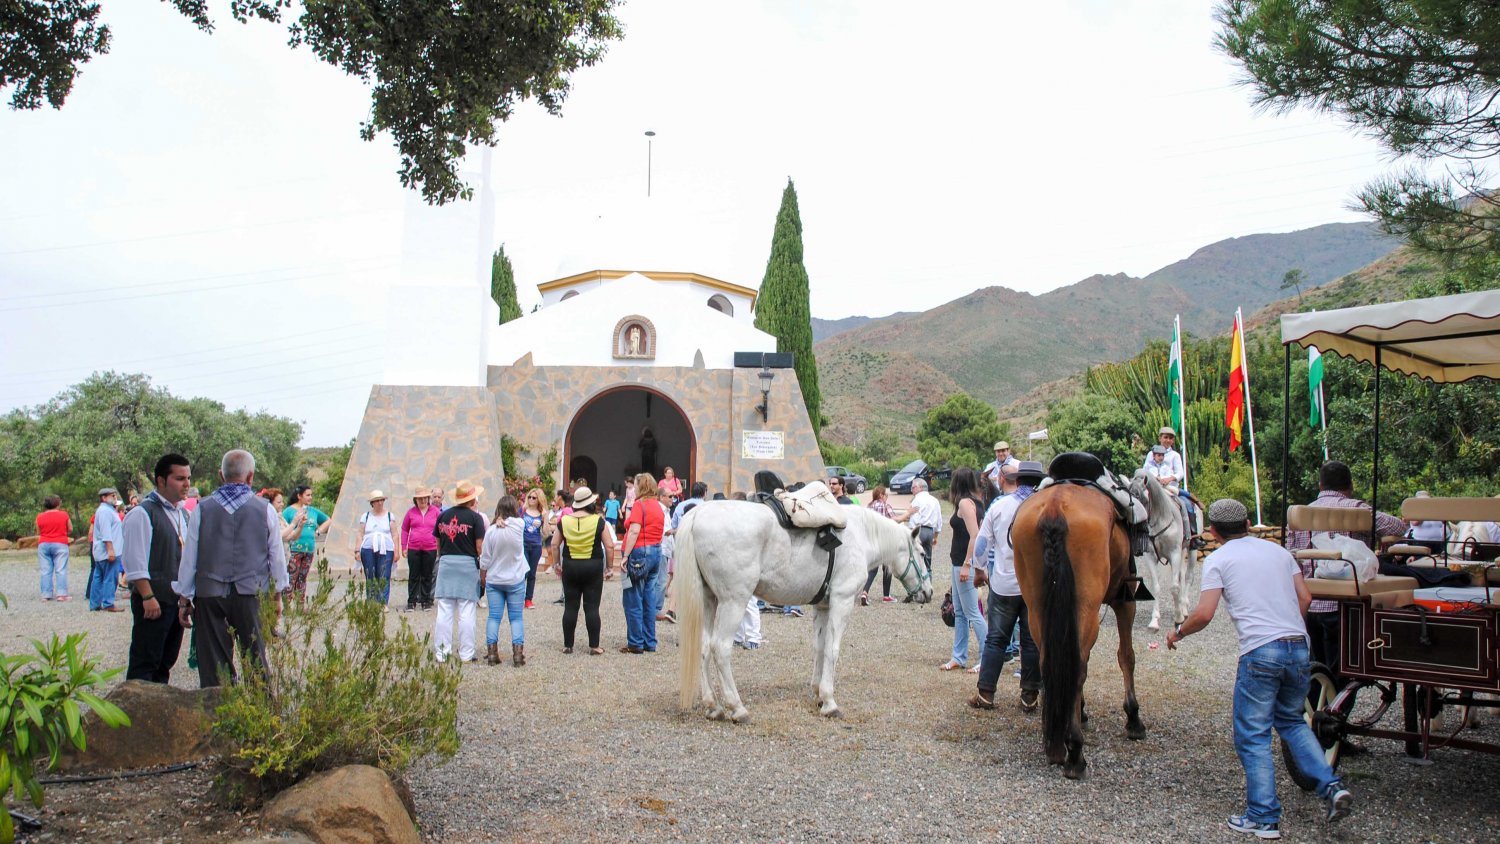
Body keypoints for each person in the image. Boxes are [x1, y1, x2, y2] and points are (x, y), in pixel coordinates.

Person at [1167, 498, 1353, 838]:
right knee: (1293, 723)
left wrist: (1177, 631)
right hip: (1298, 646)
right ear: (1249, 522)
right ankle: (1331, 785)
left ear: (1212, 531)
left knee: (1252, 735)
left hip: (1260, 651)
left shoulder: (1219, 559)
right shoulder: (1280, 553)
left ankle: (1263, 816)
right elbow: (1306, 599)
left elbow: (1205, 613)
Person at [174, 449, 289, 688]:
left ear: (220, 475)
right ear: (250, 477)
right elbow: (276, 556)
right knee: (256, 658)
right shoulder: (264, 508)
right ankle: (260, 716)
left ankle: (217, 712)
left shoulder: (201, 509)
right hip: (251, 593)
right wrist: (277, 595)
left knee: (215, 663)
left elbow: (190, 557)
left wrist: (184, 598)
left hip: (210, 595)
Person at [1286, 460, 1406, 677]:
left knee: (1316, 665)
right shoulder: (1360, 509)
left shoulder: (1302, 512)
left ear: (1320, 485)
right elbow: (1399, 527)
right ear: (1350, 486)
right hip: (1344, 604)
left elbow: (1291, 556)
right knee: (1341, 668)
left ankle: (1317, 704)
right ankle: (1335, 705)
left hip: (1309, 601)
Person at [970, 461, 1044, 711]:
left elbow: (982, 543)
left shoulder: (999, 506)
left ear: (1016, 480)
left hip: (1004, 583)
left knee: (996, 639)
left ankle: (986, 693)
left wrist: (979, 570)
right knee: (1031, 640)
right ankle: (1030, 695)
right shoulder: (1044, 506)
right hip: (1035, 587)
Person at [122, 453, 192, 683]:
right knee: (145, 661)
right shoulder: (142, 513)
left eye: (188, 478)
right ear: (161, 481)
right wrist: (147, 595)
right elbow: (134, 559)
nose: (187, 484)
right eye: (180, 478)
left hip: (175, 600)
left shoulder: (184, 513)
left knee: (165, 661)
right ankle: (135, 714)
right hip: (153, 599)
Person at [557, 486, 617, 655]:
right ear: (590, 503)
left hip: (570, 565)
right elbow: (610, 546)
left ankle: (568, 645)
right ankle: (594, 646)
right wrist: (610, 568)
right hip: (592, 565)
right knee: (591, 607)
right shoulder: (598, 521)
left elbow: (555, 544)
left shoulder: (564, 520)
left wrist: (556, 564)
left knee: (570, 607)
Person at [432, 480, 486, 663]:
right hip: (467, 564)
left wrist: (444, 556)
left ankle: (442, 652)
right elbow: (479, 547)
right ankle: (466, 652)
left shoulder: (443, 516)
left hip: (447, 562)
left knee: (445, 610)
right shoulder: (475, 519)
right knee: (466, 610)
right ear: (472, 500)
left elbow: (438, 543)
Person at [942, 468, 988, 673]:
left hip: (964, 564)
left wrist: (968, 564)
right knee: (960, 613)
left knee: (973, 612)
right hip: (957, 562)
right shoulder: (975, 502)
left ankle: (986, 657)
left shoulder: (965, 503)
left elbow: (975, 535)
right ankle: (959, 656)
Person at [619, 473, 667, 654]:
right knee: (649, 598)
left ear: (642, 486)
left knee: (633, 599)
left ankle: (636, 642)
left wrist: (625, 556)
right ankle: (649, 641)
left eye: (636, 485)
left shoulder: (640, 505)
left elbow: (634, 530)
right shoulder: (658, 506)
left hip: (640, 551)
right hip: (655, 551)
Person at [480, 495, 528, 666]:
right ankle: (518, 654)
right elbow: (518, 520)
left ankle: (492, 653)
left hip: (495, 579)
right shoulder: (519, 526)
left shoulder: (491, 531)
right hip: (515, 578)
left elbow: (485, 558)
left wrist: (482, 577)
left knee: (494, 617)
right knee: (516, 618)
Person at [1143, 426, 1202, 547]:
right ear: (1160, 438)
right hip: (1154, 489)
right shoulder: (1151, 453)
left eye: (1170, 438)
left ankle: (1192, 536)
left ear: (1173, 441)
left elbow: (1180, 473)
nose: (1168, 440)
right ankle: (1139, 535)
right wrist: (1155, 479)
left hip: (1171, 489)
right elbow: (1145, 470)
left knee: (1187, 505)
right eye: (1165, 437)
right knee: (1139, 502)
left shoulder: (1175, 455)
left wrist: (1169, 479)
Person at [281, 486, 330, 601]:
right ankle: (287, 605)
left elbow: (328, 520)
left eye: (311, 495)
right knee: (291, 577)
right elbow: (282, 526)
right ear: (299, 496)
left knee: (302, 578)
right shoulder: (289, 511)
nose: (310, 497)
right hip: (294, 549)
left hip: (308, 549)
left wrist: (318, 532)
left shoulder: (312, 511)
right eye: (307, 495)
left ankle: (300, 605)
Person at [400, 486, 441, 611]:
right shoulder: (411, 512)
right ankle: (411, 601)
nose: (423, 501)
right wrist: (403, 546)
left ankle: (426, 601)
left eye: (425, 498)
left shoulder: (435, 512)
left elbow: (441, 528)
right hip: (414, 548)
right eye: (420, 499)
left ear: (428, 499)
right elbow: (404, 529)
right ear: (416, 500)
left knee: (427, 575)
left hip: (430, 548)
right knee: (414, 575)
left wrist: (441, 546)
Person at [352, 490, 396, 607]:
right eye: (377, 501)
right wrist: (357, 550)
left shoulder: (389, 516)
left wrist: (396, 551)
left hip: (386, 548)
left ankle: (383, 602)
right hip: (368, 548)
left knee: (384, 574)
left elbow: (395, 534)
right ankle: (371, 601)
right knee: (370, 574)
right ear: (372, 503)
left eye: (381, 500)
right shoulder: (366, 516)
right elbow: (360, 534)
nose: (380, 503)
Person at [89, 487, 125, 612]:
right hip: (108, 551)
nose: (115, 498)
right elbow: (106, 532)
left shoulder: (107, 511)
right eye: (112, 496)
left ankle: (95, 603)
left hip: (102, 551)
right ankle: (108, 603)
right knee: (110, 577)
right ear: (104, 498)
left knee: (98, 577)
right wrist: (110, 550)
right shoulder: (104, 511)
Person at [902, 478, 943, 582]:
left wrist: (911, 533)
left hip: (918, 531)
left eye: (913, 487)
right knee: (927, 561)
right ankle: (929, 585)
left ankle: (915, 588)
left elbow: (914, 520)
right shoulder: (935, 500)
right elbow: (939, 521)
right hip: (930, 531)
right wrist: (936, 536)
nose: (911, 490)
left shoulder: (917, 500)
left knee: (915, 559)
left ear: (920, 487)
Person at [861, 486, 896, 605]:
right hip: (885, 541)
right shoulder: (886, 506)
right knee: (887, 568)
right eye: (886, 495)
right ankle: (886, 595)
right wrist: (908, 514)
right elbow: (895, 520)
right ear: (881, 495)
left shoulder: (869, 507)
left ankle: (865, 592)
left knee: (872, 569)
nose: (887, 497)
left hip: (871, 541)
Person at [35, 494, 73, 601]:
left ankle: (46, 594)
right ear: (57, 504)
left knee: (45, 570)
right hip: (60, 542)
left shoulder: (39, 516)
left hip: (44, 543)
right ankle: (61, 594)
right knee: (60, 569)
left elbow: (38, 531)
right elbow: (70, 528)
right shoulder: (64, 515)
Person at [520, 488, 547, 609]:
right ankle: (518, 597)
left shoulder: (542, 513)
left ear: (539, 500)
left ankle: (528, 599)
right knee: (523, 572)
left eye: (534, 498)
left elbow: (546, 533)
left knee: (532, 573)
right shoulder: (522, 511)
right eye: (529, 497)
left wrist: (545, 519)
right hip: (523, 544)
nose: (531, 499)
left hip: (536, 545)